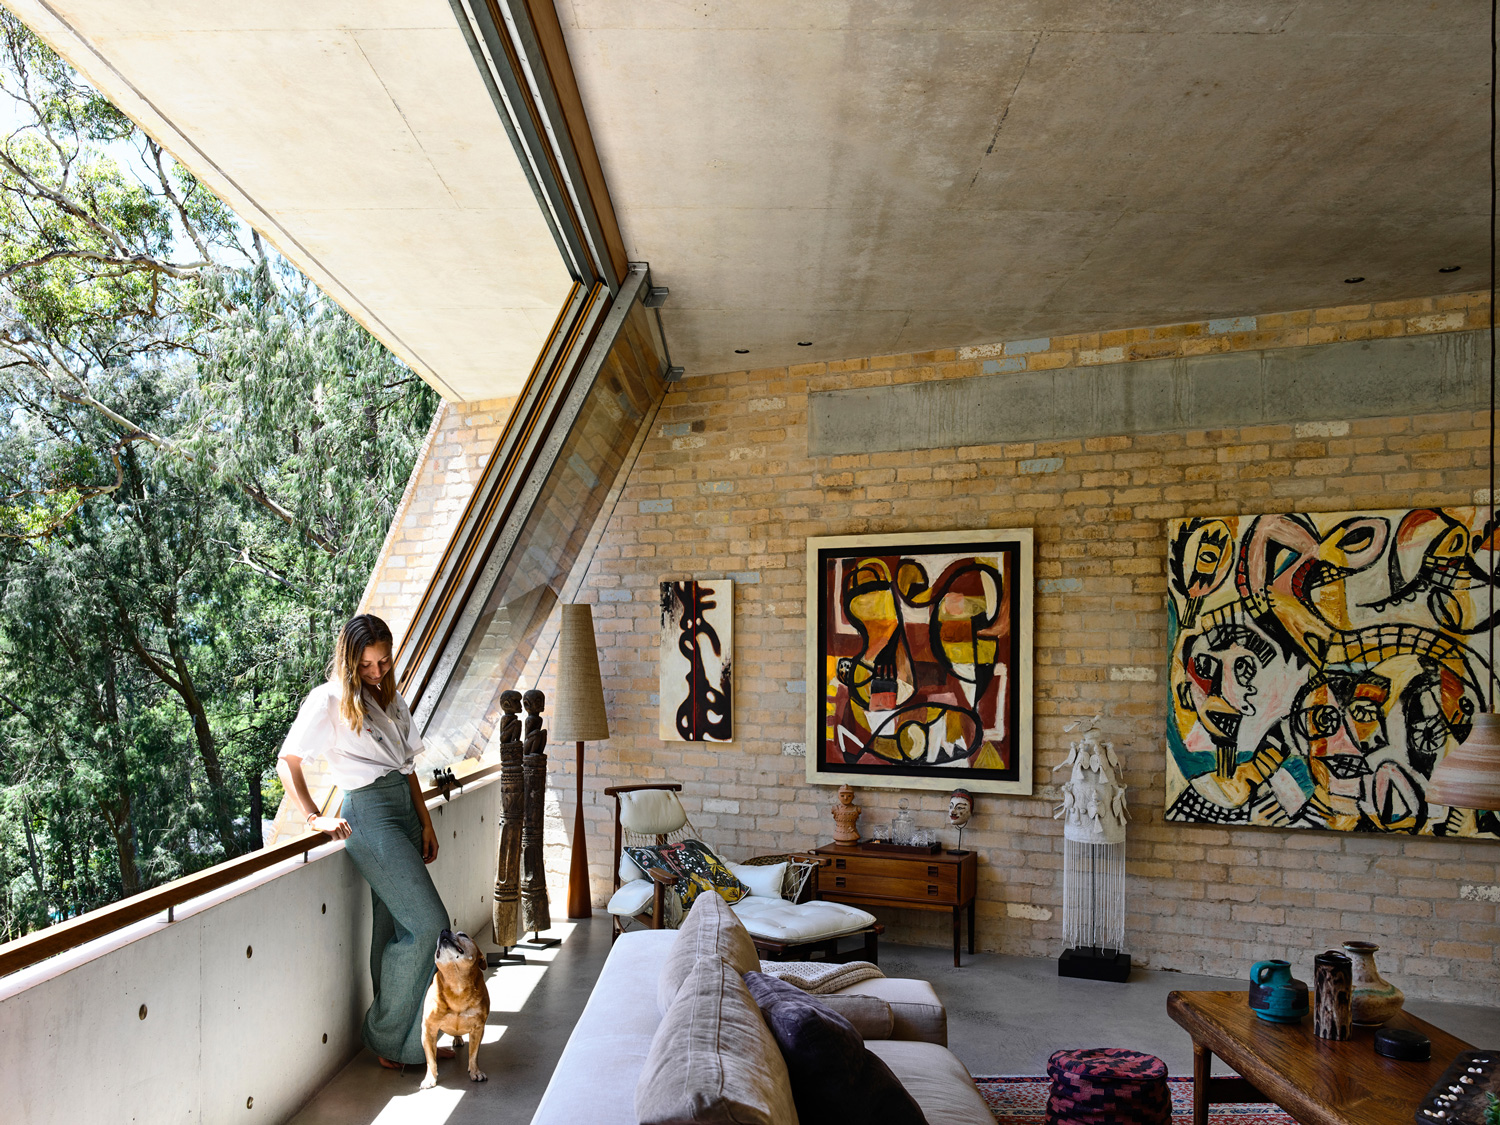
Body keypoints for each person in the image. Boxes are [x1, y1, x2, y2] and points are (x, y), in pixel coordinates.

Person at [278, 613, 452, 1070]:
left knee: (393, 928)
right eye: (367, 664)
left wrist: (426, 822)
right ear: (349, 660)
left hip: (404, 809)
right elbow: (287, 761)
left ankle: (409, 1044)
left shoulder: (390, 696)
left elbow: (406, 767)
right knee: (430, 925)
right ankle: (385, 1035)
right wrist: (314, 817)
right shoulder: (328, 699)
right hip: (369, 815)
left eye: (383, 661)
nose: (376, 671)